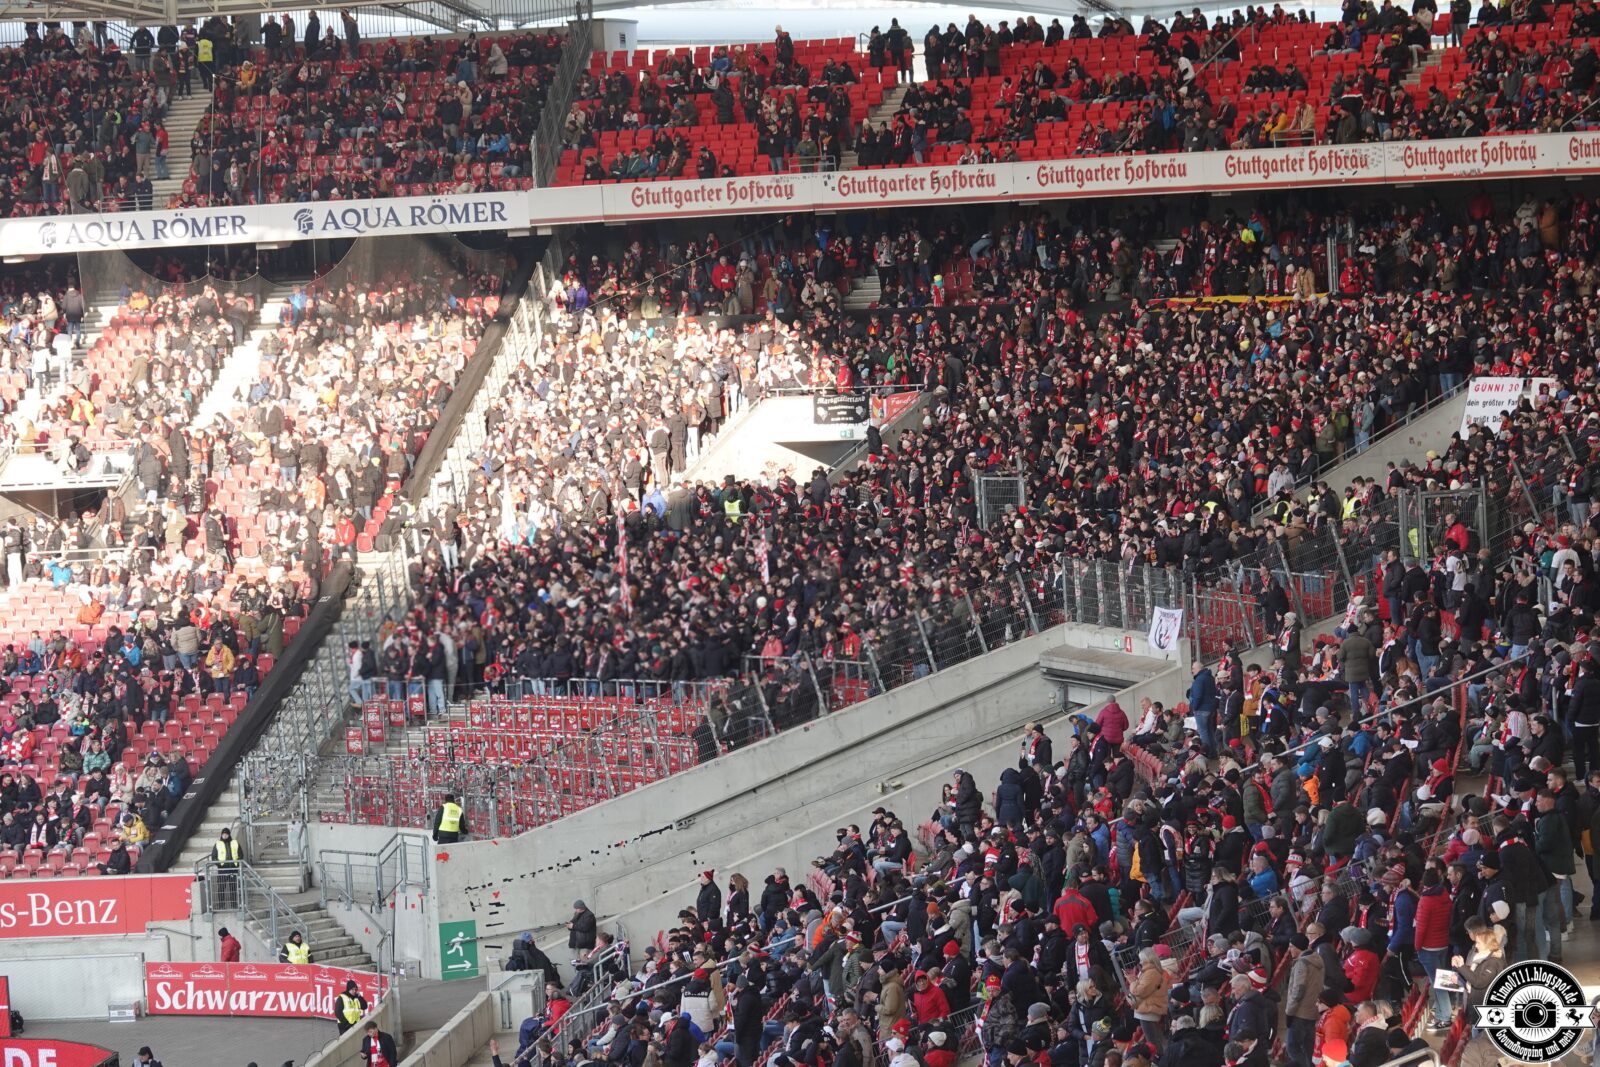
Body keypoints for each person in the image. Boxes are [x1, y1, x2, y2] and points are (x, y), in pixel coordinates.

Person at [214, 827, 242, 909]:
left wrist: (236, 865)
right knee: (221, 888)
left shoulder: (235, 842)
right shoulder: (218, 843)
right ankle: (221, 906)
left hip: (233, 869)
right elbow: (214, 857)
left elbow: (240, 854)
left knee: (233, 888)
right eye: (223, 834)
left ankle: (234, 905)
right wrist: (220, 865)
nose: (224, 835)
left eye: (226, 834)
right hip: (222, 870)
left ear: (229, 835)